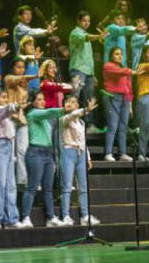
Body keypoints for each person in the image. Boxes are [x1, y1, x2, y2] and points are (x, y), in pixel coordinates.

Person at [21, 91, 65, 228]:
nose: (42, 102)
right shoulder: (33, 113)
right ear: (33, 102)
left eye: (43, 99)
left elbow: (50, 114)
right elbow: (49, 112)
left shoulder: (46, 118)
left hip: (47, 153)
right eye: (39, 99)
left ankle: (50, 217)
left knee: (48, 189)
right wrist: (64, 109)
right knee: (32, 188)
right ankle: (25, 217)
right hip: (35, 153)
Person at [59, 95, 101, 226]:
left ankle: (85, 215)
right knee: (67, 187)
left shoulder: (81, 123)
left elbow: (83, 141)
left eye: (74, 102)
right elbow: (72, 115)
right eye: (69, 102)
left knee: (83, 187)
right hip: (69, 152)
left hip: (81, 153)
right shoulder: (64, 119)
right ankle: (65, 215)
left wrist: (87, 157)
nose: (72, 104)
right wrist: (85, 110)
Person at [0, 87, 25, 229]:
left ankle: (11, 218)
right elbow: (9, 108)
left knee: (11, 185)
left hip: (9, 146)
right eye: (3, 97)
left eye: (6, 97)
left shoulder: (7, 115)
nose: (5, 99)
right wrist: (17, 105)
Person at [68, 10, 106, 133]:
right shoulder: (75, 33)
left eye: (88, 21)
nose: (87, 23)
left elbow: (89, 58)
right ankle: (70, 122)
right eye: (84, 20)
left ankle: (88, 125)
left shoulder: (86, 34)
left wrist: (93, 74)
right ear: (78, 21)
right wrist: (99, 36)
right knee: (75, 95)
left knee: (89, 99)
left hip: (88, 72)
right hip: (78, 69)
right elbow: (87, 37)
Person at [102, 47, 141, 162]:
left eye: (121, 54)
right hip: (113, 97)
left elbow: (129, 88)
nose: (120, 56)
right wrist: (131, 71)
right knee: (112, 126)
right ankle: (108, 153)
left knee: (123, 127)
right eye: (116, 54)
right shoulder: (108, 66)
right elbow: (119, 72)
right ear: (111, 56)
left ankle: (122, 153)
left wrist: (130, 104)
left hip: (125, 99)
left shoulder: (124, 69)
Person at [3, 58, 37, 186]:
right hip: (9, 117)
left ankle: (22, 180)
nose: (21, 70)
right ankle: (8, 180)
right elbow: (18, 79)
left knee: (23, 151)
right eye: (18, 67)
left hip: (21, 119)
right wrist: (35, 75)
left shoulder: (25, 85)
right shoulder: (9, 78)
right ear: (13, 68)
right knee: (10, 152)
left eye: (23, 67)